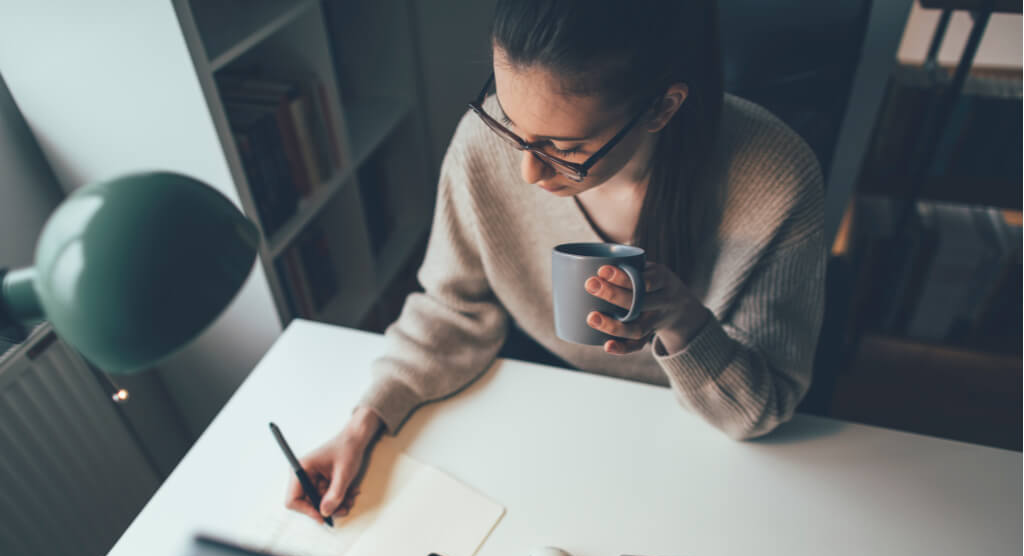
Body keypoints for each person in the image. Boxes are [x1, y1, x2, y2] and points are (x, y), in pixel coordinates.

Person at [287, 0, 826, 524]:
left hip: (697, 445)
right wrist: (364, 424)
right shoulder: (485, 143)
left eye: (565, 149)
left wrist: (684, 320)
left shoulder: (776, 179)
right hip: (541, 406)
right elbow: (452, 308)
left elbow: (761, 405)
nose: (526, 173)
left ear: (663, 107)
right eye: (509, 121)